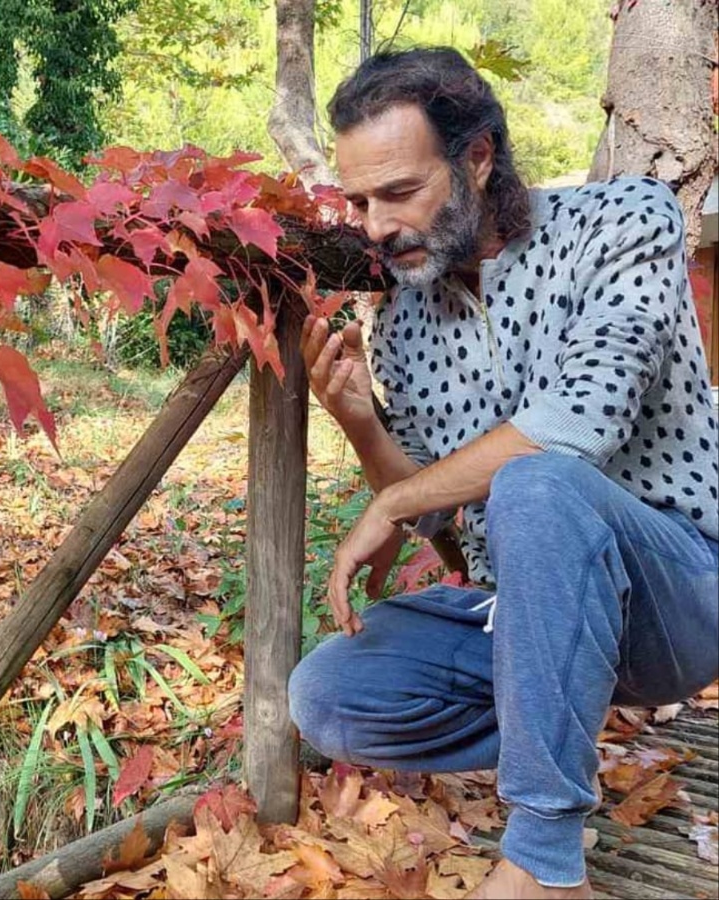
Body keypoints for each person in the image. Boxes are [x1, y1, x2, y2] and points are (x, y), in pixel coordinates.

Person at [287, 47, 719, 900]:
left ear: (477, 157)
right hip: (530, 609)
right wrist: (360, 419)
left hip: (681, 592)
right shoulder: (406, 325)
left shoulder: (624, 221)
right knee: (328, 695)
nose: (375, 227)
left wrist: (404, 498)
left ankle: (545, 866)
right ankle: (557, 709)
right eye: (359, 201)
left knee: (539, 480)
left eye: (399, 192)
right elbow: (442, 526)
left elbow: (574, 429)